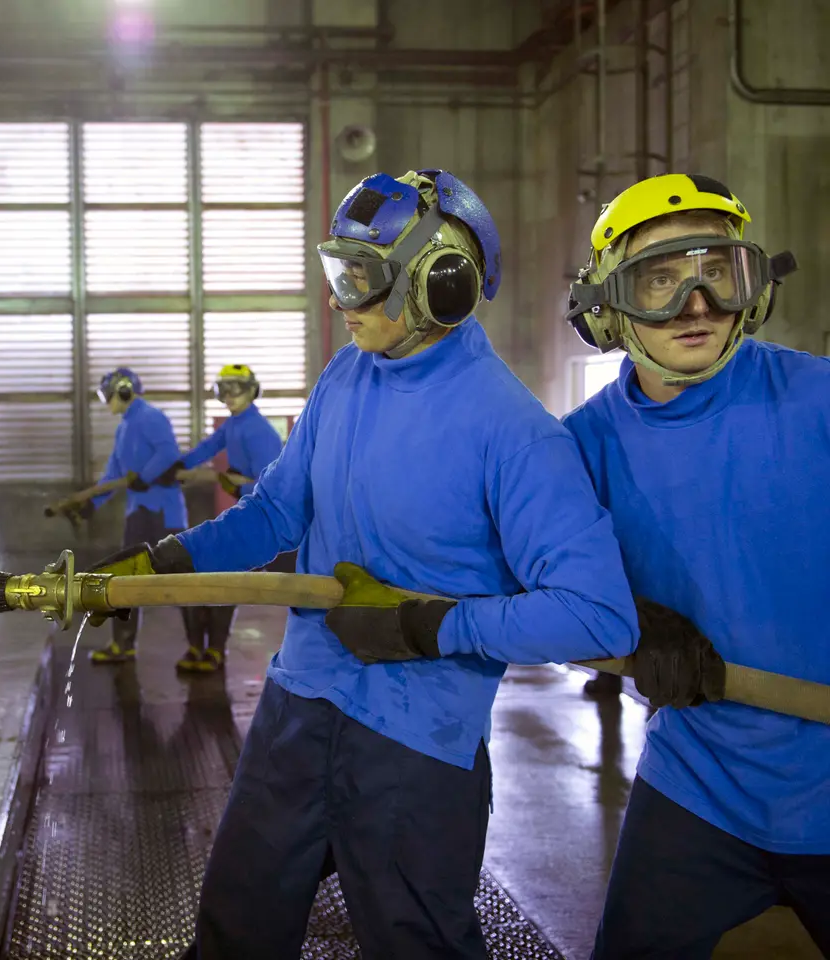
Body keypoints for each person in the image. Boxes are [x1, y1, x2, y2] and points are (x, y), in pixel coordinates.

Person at [93, 170, 639, 958]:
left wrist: (431, 627)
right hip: (298, 704)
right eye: (336, 271)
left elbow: (597, 613)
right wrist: (159, 562)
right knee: (234, 926)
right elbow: (276, 514)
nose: (339, 298)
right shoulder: (345, 377)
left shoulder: (514, 431)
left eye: (361, 277)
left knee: (415, 943)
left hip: (416, 744)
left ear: (440, 284)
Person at [562, 172, 827, 958]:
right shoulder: (581, 446)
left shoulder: (817, 399)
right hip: (698, 785)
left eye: (720, 274)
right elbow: (539, 590)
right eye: (661, 281)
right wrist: (633, 623)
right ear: (608, 305)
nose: (698, 305)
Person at [163, 363, 285, 673]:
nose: (229, 397)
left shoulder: (258, 430)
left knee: (221, 576)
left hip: (261, 517)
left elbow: (274, 485)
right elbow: (209, 447)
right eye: (223, 390)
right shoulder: (234, 425)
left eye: (236, 389)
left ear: (252, 391)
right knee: (206, 573)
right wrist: (177, 464)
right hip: (244, 510)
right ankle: (198, 647)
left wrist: (235, 483)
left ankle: (214, 650)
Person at [77, 367, 195, 664]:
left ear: (125, 391)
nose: (107, 402)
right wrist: (94, 502)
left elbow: (168, 453)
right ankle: (123, 644)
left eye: (108, 395)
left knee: (182, 582)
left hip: (164, 515)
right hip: (138, 514)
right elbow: (114, 473)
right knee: (126, 578)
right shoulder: (124, 427)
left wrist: (146, 476)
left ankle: (199, 646)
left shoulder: (151, 417)